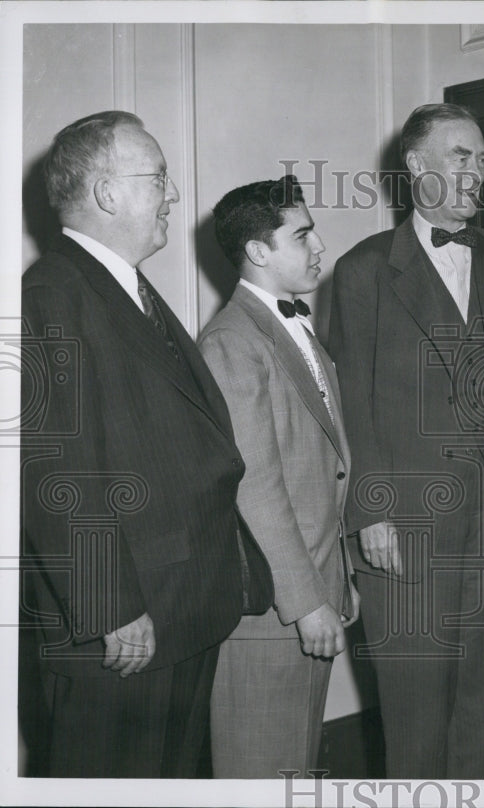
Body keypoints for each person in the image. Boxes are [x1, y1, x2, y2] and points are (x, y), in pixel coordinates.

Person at [20, 110, 272, 778]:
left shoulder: (123, 287)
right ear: (107, 194)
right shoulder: (51, 292)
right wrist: (112, 604)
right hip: (127, 624)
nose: (175, 195)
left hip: (181, 608)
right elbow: (54, 466)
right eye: (158, 177)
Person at [326, 103, 484, 778]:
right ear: (417, 166)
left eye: (482, 158)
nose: (479, 172)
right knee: (416, 706)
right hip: (407, 523)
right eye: (461, 157)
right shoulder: (363, 270)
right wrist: (371, 510)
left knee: (482, 699)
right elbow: (349, 402)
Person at [198, 176, 359, 778]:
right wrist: (306, 600)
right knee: (260, 770)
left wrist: (335, 579)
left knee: (293, 767)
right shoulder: (231, 342)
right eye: (304, 234)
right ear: (259, 252)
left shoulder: (292, 329)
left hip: (312, 592)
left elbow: (323, 467)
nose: (319, 246)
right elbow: (255, 487)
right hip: (274, 609)